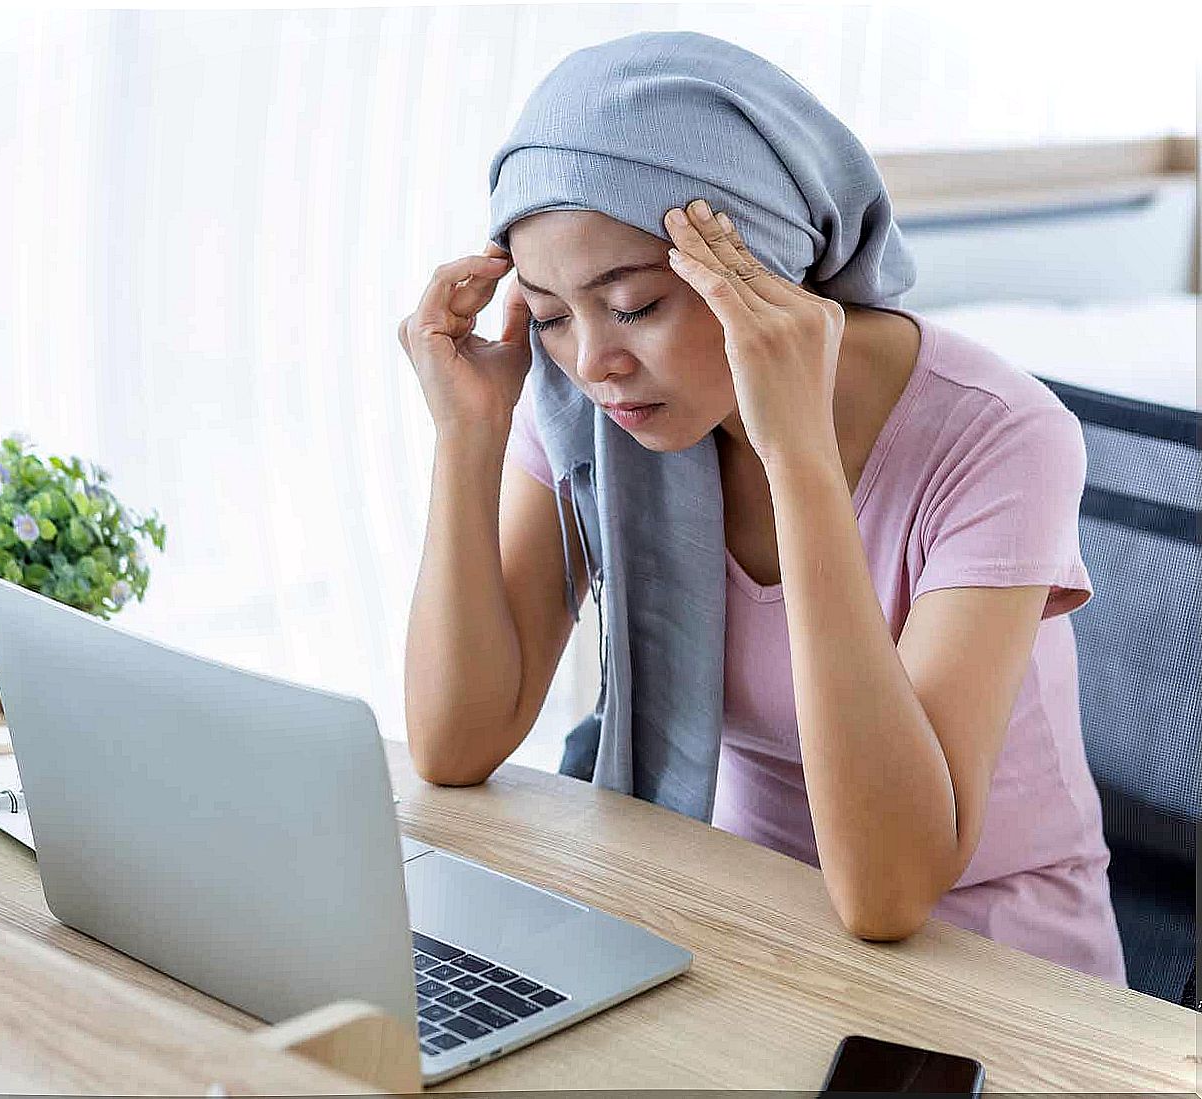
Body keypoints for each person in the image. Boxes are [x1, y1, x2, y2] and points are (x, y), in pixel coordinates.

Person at [397, 31, 1126, 986]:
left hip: (999, 977)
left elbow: (889, 892)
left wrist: (799, 458)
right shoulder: (597, 405)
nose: (592, 361)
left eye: (635, 304)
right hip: (745, 929)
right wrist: (468, 440)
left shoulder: (1002, 436)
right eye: (550, 315)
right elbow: (456, 742)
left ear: (763, 268)